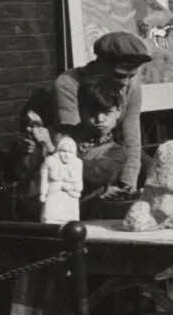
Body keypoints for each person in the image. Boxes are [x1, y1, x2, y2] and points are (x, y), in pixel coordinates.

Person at [54, 31, 150, 196]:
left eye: (131, 76)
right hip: (82, 152)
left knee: (156, 172)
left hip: (115, 149)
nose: (125, 83)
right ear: (100, 63)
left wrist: (129, 182)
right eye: (119, 75)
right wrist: (101, 188)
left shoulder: (131, 85)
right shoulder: (69, 83)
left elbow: (132, 139)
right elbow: (71, 142)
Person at [66, 75, 134, 204]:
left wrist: (52, 150)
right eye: (92, 113)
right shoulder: (62, 135)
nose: (100, 120)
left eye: (107, 112)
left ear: (118, 111)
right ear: (80, 110)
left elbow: (94, 175)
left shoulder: (117, 153)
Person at [40, 137, 84, 224]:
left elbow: (79, 185)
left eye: (70, 152)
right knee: (49, 219)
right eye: (63, 151)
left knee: (70, 223)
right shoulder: (50, 161)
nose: (66, 155)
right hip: (53, 195)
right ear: (58, 150)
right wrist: (42, 194)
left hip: (70, 197)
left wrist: (69, 187)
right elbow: (44, 180)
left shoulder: (77, 163)